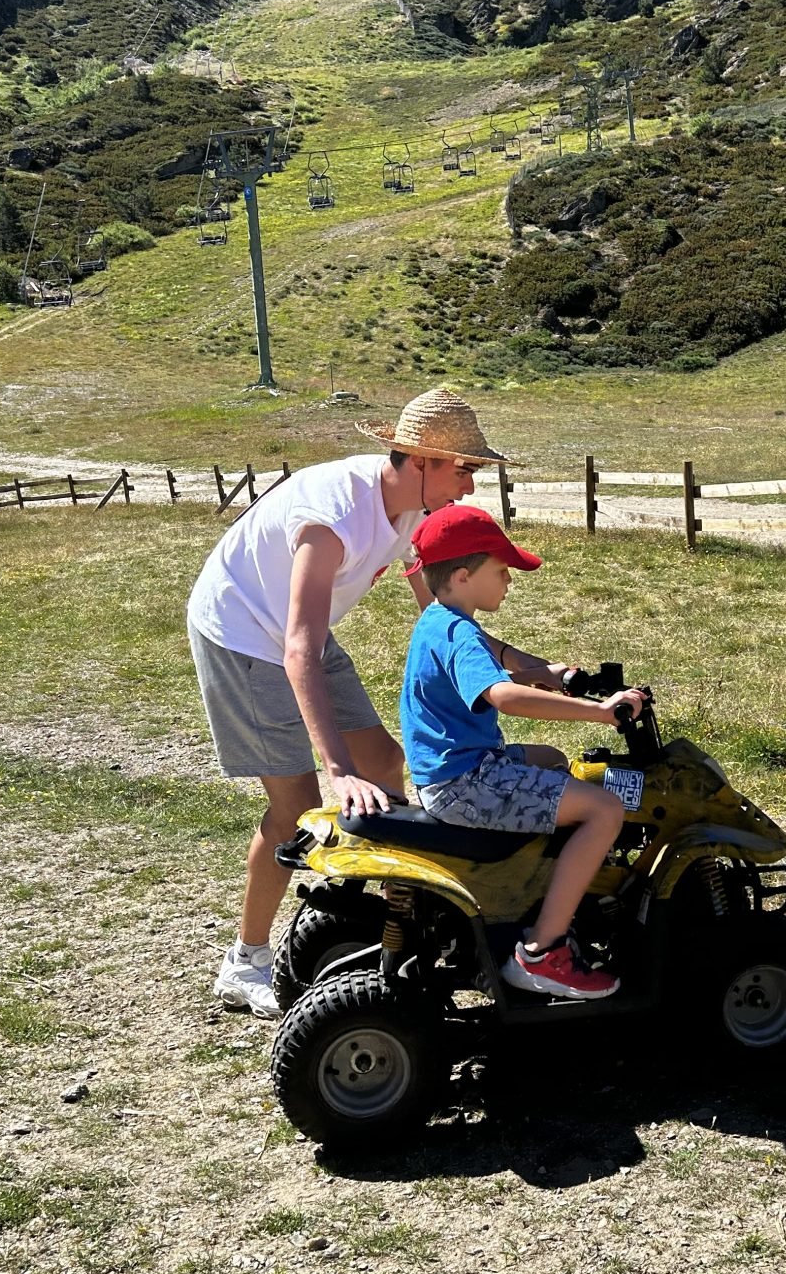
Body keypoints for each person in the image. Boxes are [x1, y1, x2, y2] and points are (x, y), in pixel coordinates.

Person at [187, 389, 571, 1018]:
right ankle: (245, 960)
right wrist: (336, 772)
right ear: (421, 459)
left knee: (384, 764)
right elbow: (297, 651)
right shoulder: (332, 519)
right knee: (296, 806)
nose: (470, 488)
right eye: (464, 470)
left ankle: (383, 919)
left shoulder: (415, 512)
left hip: (298, 633)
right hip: (242, 632)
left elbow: (442, 618)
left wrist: (518, 663)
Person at [400, 504, 645, 1001]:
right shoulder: (458, 634)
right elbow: (503, 693)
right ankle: (542, 950)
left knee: (552, 760)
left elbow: (505, 657)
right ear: (465, 575)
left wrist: (557, 675)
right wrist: (602, 713)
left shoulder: (439, 619)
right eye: (501, 570)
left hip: (450, 772)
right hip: (467, 784)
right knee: (604, 809)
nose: (509, 580)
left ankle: (540, 887)